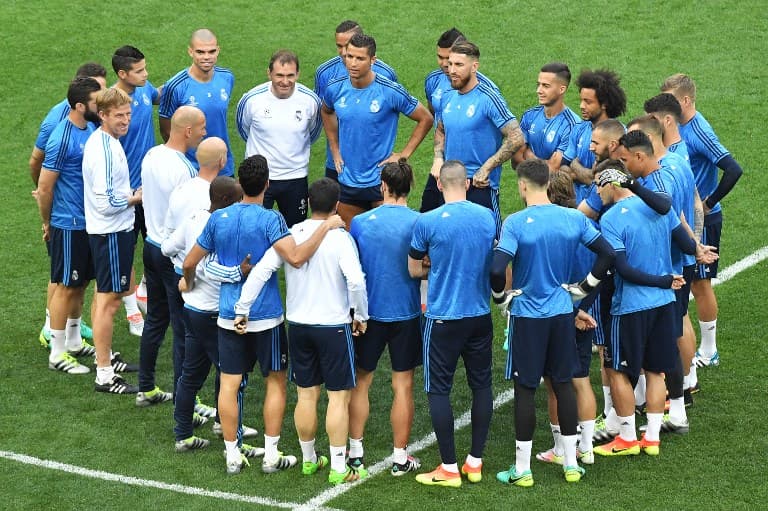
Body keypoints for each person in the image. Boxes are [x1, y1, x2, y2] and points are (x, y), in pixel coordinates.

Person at [183, 155, 343, 475]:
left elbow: (190, 263)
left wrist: (188, 283)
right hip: (266, 316)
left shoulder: (219, 218)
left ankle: (232, 455)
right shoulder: (271, 220)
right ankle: (271, 455)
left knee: (229, 383)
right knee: (276, 382)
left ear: (241, 184)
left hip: (228, 314)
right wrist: (326, 226)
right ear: (267, 184)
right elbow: (295, 257)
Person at [234, 178, 369, 485]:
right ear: (336, 206)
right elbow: (356, 282)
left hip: (298, 326)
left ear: (308, 202)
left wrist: (242, 308)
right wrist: (360, 315)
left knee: (305, 396)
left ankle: (309, 460)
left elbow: (261, 272)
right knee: (338, 398)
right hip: (333, 327)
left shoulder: (291, 234)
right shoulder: (340, 238)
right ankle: (338, 466)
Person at [491, 159, 614, 487]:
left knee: (525, 390)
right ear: (547, 183)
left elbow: (495, 268)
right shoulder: (573, 218)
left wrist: (502, 299)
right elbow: (608, 254)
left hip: (528, 318)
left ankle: (522, 469)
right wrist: (584, 287)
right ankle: (571, 464)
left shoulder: (515, 223)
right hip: (562, 314)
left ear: (522, 185)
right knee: (564, 384)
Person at [592, 164, 700, 458]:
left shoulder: (611, 218)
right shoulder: (659, 210)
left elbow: (624, 270)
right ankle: (651, 438)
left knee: (616, 371)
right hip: (664, 303)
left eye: (598, 186)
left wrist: (661, 279)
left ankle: (627, 438)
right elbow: (688, 244)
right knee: (656, 371)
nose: (596, 193)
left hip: (630, 307)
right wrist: (669, 278)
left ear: (612, 184)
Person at [409, 161, 496, 488]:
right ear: (468, 184)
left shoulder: (427, 221)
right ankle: (474, 462)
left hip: (443, 317)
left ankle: (448, 467)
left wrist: (437, 269)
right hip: (479, 314)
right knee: (481, 385)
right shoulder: (486, 217)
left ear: (441, 185)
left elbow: (414, 270)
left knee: (439, 390)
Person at [162, 176, 258, 454]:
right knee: (233, 374)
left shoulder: (193, 218)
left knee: (191, 374)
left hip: (192, 309)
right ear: (227, 201)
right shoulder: (219, 226)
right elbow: (208, 269)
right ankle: (233, 437)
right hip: (213, 312)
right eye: (238, 199)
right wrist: (238, 272)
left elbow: (168, 248)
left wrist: (185, 278)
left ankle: (185, 434)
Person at [661, 74, 744, 368]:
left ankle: (709, 351)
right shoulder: (677, 126)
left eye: (671, 99)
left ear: (685, 100)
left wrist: (708, 203)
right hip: (684, 216)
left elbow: (733, 169)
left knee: (700, 284)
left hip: (702, 220)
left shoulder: (699, 130)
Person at [348, 159, 423, 476]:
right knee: (403, 385)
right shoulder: (420, 222)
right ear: (409, 187)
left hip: (368, 315)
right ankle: (400, 457)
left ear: (383, 186)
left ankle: (355, 453)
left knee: (361, 383)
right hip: (406, 313)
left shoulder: (361, 223)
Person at [321, 33, 432, 227]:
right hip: (348, 180)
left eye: (360, 58)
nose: (353, 63)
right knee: (351, 240)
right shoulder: (335, 88)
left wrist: (403, 155)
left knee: (386, 235)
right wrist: (335, 148)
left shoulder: (389, 91)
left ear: (373, 60)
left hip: (382, 181)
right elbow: (326, 110)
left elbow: (425, 118)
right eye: (349, 56)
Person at [33, 62, 106, 350]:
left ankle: (74, 342)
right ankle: (58, 350)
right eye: (94, 103)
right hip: (68, 222)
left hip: (86, 219)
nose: (98, 107)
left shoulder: (88, 127)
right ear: (78, 105)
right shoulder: (62, 138)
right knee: (65, 285)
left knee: (79, 283)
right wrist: (48, 222)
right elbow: (45, 187)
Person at [137, 106, 206, 408]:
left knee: (155, 319)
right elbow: (187, 220)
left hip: (150, 245)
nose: (204, 133)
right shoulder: (185, 170)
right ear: (188, 131)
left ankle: (146, 387)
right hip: (169, 254)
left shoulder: (152, 154)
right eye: (201, 128)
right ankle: (184, 399)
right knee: (183, 330)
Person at [82, 87, 143, 394]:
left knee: (102, 296)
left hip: (108, 231)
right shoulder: (104, 149)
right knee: (109, 302)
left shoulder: (109, 141)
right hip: (111, 231)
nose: (125, 121)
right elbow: (106, 201)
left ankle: (103, 360)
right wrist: (136, 198)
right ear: (102, 115)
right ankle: (104, 374)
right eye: (119, 115)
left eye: (128, 115)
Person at [428, 40, 523, 235]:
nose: (451, 70)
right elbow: (440, 129)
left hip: (479, 186)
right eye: (450, 64)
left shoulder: (488, 97)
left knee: (493, 246)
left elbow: (516, 135)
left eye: (458, 65)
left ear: (474, 67)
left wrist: (487, 167)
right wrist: (438, 158)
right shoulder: (448, 96)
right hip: (450, 183)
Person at [236, 49, 321, 227]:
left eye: (290, 75)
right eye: (279, 75)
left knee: (295, 230)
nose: (285, 81)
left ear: (298, 74)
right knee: (254, 227)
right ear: (269, 73)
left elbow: (312, 133)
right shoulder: (252, 100)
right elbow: (244, 130)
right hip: (259, 177)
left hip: (296, 177)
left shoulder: (310, 101)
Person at [420, 27, 500, 213]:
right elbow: (438, 117)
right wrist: (438, 157)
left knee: (484, 233)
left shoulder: (488, 92)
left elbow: (509, 134)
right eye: (440, 57)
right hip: (443, 170)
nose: (445, 65)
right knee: (427, 219)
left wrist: (486, 167)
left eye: (451, 59)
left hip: (477, 179)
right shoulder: (433, 81)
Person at [112, 44, 160, 335]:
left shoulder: (144, 89)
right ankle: (132, 314)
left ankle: (143, 290)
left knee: (155, 244)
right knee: (126, 252)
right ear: (122, 74)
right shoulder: (112, 105)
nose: (145, 74)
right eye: (139, 71)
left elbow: (159, 94)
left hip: (150, 187)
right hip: (126, 193)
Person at [314, 20, 398, 181]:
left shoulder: (385, 73)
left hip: (375, 163)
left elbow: (392, 114)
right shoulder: (325, 72)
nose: (344, 52)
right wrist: (334, 149)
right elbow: (323, 112)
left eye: (348, 45)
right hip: (338, 162)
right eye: (339, 46)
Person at [159, 28, 234, 176]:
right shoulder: (175, 86)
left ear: (218, 50)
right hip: (191, 169)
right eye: (200, 52)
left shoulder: (227, 78)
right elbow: (166, 130)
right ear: (190, 51)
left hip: (223, 167)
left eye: (211, 51)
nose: (207, 57)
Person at [560, 69, 627, 204]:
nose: (581, 106)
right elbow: (563, 169)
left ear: (604, 104)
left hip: (605, 207)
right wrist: (587, 174)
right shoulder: (579, 129)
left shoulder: (620, 134)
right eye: (581, 100)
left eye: (588, 102)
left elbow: (603, 179)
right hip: (580, 207)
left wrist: (575, 166)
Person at [514, 62, 581, 171]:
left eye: (545, 86)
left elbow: (554, 169)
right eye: (538, 84)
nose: (539, 90)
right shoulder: (529, 116)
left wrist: (529, 155)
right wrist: (544, 163)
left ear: (561, 89)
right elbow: (516, 160)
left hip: (555, 188)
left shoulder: (572, 125)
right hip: (528, 187)